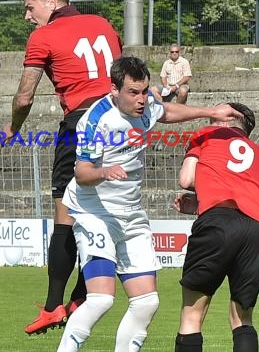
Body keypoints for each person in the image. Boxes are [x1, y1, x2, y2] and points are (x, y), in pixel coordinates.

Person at [57, 56, 242, 352]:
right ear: (114, 89)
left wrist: (209, 111)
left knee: (146, 303)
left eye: (144, 91)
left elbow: (165, 111)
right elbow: (81, 173)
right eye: (133, 92)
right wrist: (104, 171)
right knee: (102, 299)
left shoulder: (146, 106)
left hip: (130, 216)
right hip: (95, 213)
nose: (142, 99)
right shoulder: (95, 120)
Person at [2, 0, 123, 336]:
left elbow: (25, 96)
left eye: (29, 7)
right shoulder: (104, 24)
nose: (27, 16)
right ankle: (82, 295)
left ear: (51, 1)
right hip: (120, 124)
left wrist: (14, 127)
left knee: (65, 214)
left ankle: (55, 305)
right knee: (109, 214)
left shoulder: (44, 35)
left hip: (82, 122)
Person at [173, 102, 259, 352]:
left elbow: (186, 179)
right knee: (243, 318)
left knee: (192, 316)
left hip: (218, 221)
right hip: (256, 229)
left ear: (225, 120)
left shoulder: (208, 135)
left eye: (216, 113)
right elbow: (246, 191)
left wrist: (205, 195)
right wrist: (203, 200)